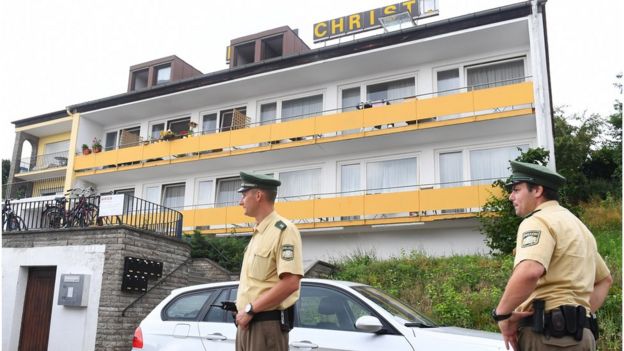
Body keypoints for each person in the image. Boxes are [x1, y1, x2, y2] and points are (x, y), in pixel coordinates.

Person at [492, 161, 612, 351]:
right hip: (584, 338)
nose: (510, 196)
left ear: (537, 190)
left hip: (547, 337)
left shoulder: (537, 220)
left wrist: (502, 316)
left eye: (516, 189)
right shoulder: (579, 227)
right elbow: (605, 280)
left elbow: (530, 271)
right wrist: (577, 315)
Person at [234, 171, 304, 351]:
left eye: (244, 195)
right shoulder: (258, 233)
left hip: (265, 327)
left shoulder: (284, 230)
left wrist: (250, 309)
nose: (240, 201)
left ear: (258, 196)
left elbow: (291, 282)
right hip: (247, 324)